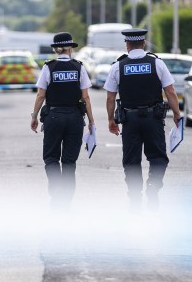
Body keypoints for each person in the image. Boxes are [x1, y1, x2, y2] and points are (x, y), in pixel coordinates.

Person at [104, 28, 181, 212]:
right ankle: (153, 188)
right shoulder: (156, 63)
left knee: (131, 160)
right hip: (153, 118)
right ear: (144, 42)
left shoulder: (117, 66)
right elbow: (170, 91)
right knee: (158, 157)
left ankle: (134, 196)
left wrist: (110, 120)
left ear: (127, 44)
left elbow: (110, 97)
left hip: (129, 120)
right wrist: (177, 114)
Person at [31, 32, 95, 211]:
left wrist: (34, 116)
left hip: (53, 117)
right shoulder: (79, 67)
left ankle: (56, 190)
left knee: (51, 157)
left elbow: (41, 95)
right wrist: (91, 121)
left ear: (56, 49)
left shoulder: (48, 68)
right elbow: (86, 98)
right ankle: (66, 199)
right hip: (75, 118)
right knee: (69, 161)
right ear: (70, 49)